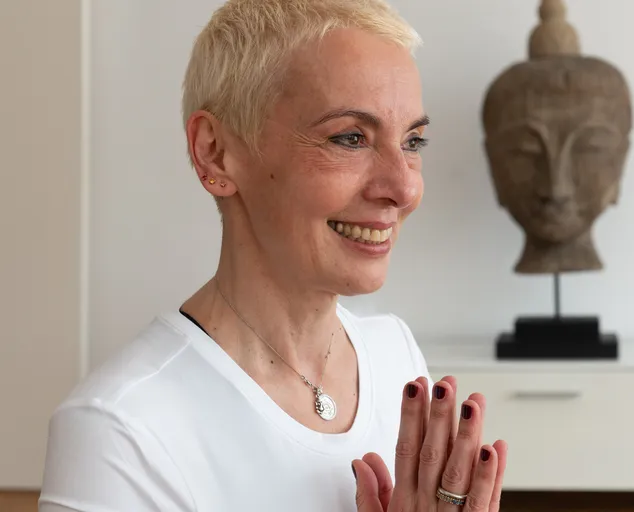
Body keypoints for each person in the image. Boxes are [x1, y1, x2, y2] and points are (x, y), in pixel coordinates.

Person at [38, 0, 507, 510]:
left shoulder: (395, 356)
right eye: (350, 138)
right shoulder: (119, 429)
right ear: (215, 153)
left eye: (413, 141)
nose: (405, 188)